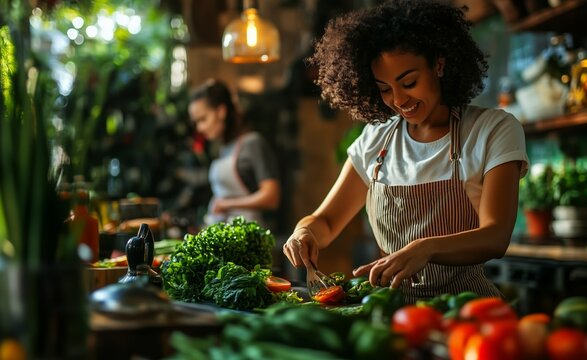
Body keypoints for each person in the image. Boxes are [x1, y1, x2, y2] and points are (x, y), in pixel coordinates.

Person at [282, 0, 529, 303]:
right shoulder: (375, 140)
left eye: (409, 82)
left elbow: (496, 236)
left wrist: (425, 248)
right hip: (390, 311)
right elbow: (327, 222)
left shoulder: (491, 130)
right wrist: (304, 231)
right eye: (384, 88)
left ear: (439, 64)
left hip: (466, 310)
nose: (398, 100)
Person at [188, 79, 280, 227]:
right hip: (225, 232)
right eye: (196, 122)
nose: (199, 128)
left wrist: (226, 204)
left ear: (221, 111)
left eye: (203, 119)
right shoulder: (224, 148)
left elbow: (271, 197)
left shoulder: (252, 143)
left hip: (248, 235)